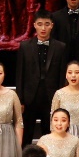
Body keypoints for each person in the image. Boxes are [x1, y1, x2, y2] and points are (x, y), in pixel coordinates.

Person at [13, 10, 65, 141]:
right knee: (27, 134)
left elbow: (61, 75)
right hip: (29, 97)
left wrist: (61, 99)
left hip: (51, 96)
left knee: (50, 134)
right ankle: (25, 155)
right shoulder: (25, 46)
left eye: (47, 24)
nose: (43, 28)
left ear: (52, 25)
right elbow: (20, 74)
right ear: (34, 25)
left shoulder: (60, 47)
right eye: (40, 24)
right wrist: (20, 100)